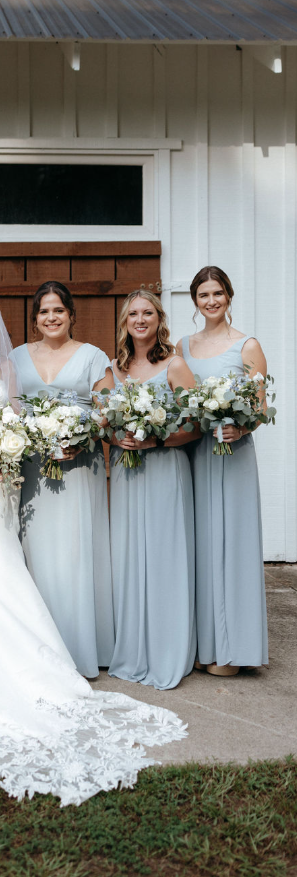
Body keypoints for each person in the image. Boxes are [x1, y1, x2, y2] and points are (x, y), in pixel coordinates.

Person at [0, 291, 187, 807]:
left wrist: (1, 451)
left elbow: (15, 419)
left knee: (5, 560)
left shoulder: (5, 370)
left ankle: (25, 655)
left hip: (6, 478)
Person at [10, 282, 114, 678]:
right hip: (33, 468)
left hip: (78, 467)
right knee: (36, 552)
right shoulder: (16, 357)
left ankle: (79, 648)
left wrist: (82, 434)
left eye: (58, 310)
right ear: (34, 318)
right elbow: (8, 407)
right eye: (43, 312)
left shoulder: (92, 356)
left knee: (74, 550)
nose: (51, 318)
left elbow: (107, 410)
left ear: (71, 314)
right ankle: (39, 649)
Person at [97, 290, 198, 691]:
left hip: (164, 470)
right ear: (124, 321)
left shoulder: (175, 365)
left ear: (159, 319)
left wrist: (154, 441)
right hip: (126, 472)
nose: (140, 319)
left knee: (163, 556)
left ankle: (167, 650)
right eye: (133, 314)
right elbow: (102, 423)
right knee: (128, 558)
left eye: (148, 313)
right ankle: (134, 648)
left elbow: (194, 426)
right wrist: (113, 435)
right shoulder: (113, 371)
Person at [177, 267, 268, 676]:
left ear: (229, 296)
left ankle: (234, 649)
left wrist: (240, 424)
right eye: (203, 294)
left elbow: (261, 408)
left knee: (233, 546)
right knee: (201, 546)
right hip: (196, 453)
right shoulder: (182, 346)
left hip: (233, 455)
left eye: (217, 293)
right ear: (194, 300)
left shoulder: (247, 345)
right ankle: (205, 644)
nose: (210, 301)